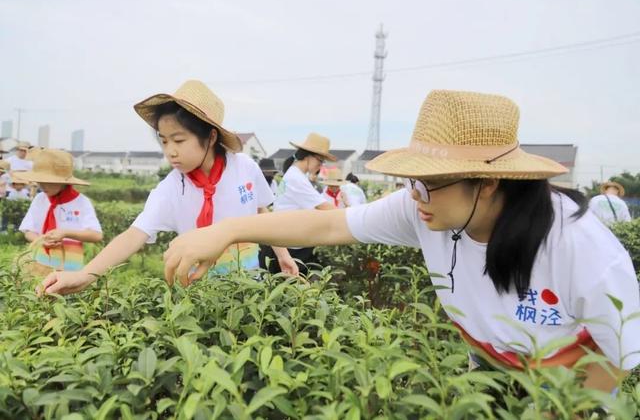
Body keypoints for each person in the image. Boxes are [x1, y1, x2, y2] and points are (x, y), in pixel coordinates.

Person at [163, 90, 640, 393]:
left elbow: (618, 354)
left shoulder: (578, 245)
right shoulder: (422, 207)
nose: (414, 196)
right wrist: (225, 230)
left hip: (570, 392)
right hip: (489, 376)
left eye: (427, 182)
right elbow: (326, 226)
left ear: (488, 182)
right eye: (412, 182)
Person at [39, 80, 297, 294]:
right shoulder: (172, 187)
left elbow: (262, 211)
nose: (170, 152)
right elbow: (133, 235)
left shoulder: (244, 168)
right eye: (164, 141)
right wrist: (85, 275)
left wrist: (282, 254)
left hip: (246, 286)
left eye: (179, 140)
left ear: (211, 136)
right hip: (196, 291)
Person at [260, 133, 336, 274]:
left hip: (285, 242)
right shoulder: (296, 178)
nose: (320, 166)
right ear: (308, 156)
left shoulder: (294, 174)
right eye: (320, 161)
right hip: (288, 247)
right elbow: (326, 208)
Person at [17, 149, 103, 272]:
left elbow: (96, 235)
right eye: (40, 181)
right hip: (40, 262)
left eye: (49, 181)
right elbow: (28, 231)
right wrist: (40, 240)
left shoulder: (81, 202)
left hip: (69, 265)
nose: (43, 186)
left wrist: (66, 233)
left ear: (64, 182)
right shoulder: (40, 199)